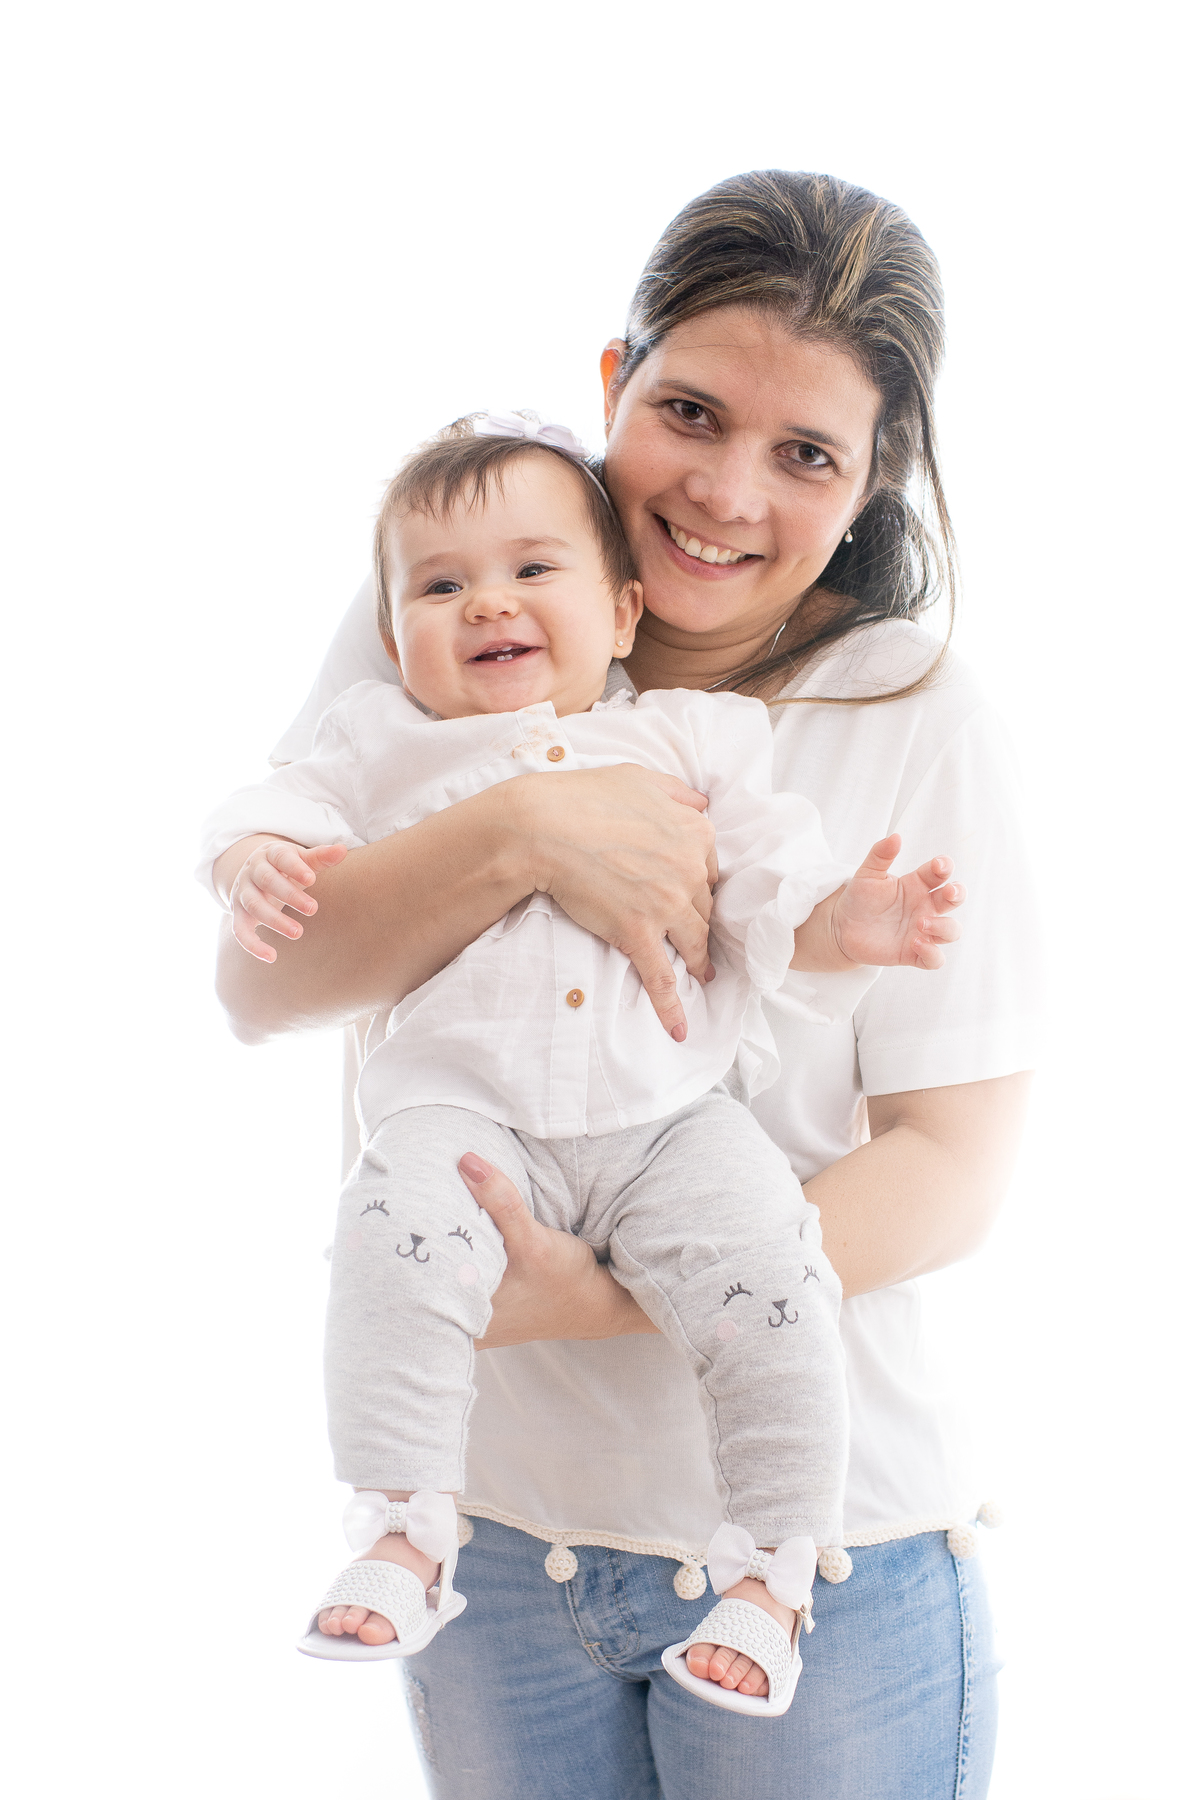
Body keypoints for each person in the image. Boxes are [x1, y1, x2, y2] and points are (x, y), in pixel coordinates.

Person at [214, 172, 1039, 1797]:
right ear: (615, 381)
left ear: (873, 483)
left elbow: (952, 1170)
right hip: (497, 1546)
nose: (729, 492)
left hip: (836, 1561)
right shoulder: (465, 595)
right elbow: (262, 985)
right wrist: (532, 826)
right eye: (691, 412)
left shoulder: (912, 711)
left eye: (808, 455)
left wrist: (585, 1299)